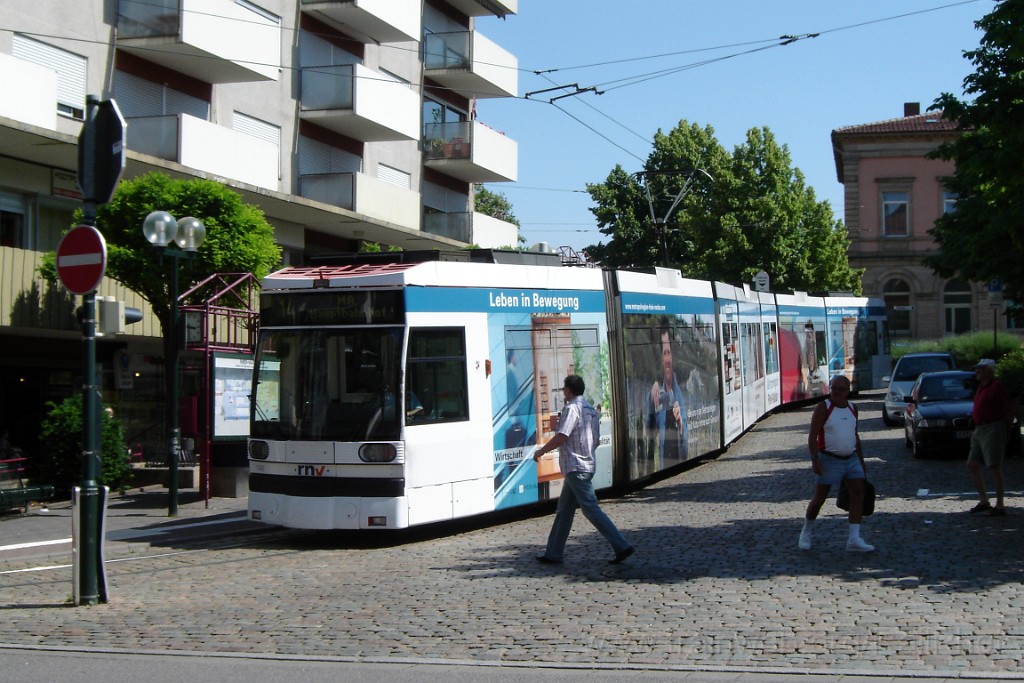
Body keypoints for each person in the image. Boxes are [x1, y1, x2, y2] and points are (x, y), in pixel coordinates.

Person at [533, 374, 635, 565]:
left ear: (569, 390)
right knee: (564, 511)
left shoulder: (572, 409)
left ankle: (621, 545)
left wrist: (541, 451)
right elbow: (595, 441)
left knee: (590, 509)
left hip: (575, 467)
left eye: (564, 389)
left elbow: (561, 436)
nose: (563, 392)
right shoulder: (590, 410)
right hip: (585, 465)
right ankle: (553, 553)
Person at [799, 374, 874, 552]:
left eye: (841, 390)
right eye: (834, 389)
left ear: (848, 391)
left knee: (857, 495)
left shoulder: (853, 408)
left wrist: (861, 461)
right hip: (828, 459)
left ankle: (854, 538)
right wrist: (814, 458)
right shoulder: (823, 408)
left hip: (851, 458)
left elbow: (855, 435)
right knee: (819, 498)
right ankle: (806, 531)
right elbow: (812, 435)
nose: (837, 393)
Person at [967, 358, 1013, 516]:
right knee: (972, 463)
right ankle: (984, 501)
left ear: (989, 371)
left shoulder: (996, 387)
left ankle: (1000, 505)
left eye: (980, 369)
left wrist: (1007, 430)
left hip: (993, 427)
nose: (977, 372)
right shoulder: (981, 387)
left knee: (995, 466)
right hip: (979, 428)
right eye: (977, 369)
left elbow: (1007, 410)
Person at [647, 324, 688, 465]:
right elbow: (649, 435)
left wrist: (680, 424)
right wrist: (652, 404)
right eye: (664, 353)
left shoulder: (682, 392)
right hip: (664, 464)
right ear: (660, 358)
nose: (668, 359)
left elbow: (686, 449)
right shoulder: (654, 393)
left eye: (669, 352)